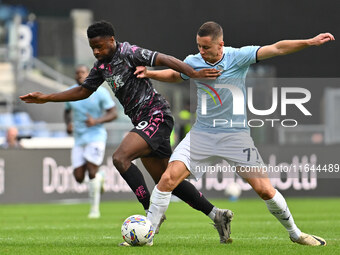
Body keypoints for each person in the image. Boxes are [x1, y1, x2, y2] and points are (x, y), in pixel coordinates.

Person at [20, 21, 233, 245]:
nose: (96, 51)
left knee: (120, 158)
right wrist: (46, 97)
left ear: (112, 40)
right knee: (167, 181)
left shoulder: (129, 52)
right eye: (93, 47)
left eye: (100, 46)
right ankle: (217, 215)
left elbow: (165, 59)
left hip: (156, 115)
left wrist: (193, 73)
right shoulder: (101, 66)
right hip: (143, 121)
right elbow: (84, 90)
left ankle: (150, 219)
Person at [137, 21, 334, 246]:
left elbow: (277, 48)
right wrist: (150, 74)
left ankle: (295, 233)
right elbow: (176, 75)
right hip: (202, 134)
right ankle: (147, 237)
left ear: (221, 45)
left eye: (206, 47)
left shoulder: (238, 57)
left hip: (235, 136)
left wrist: (309, 42)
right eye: (199, 46)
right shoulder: (193, 61)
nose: (201, 51)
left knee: (265, 190)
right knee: (167, 179)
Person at [64, 65, 118, 219]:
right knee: (79, 177)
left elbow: (113, 113)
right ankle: (100, 176)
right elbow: (67, 111)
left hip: (96, 135)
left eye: (83, 73)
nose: (79, 75)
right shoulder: (71, 92)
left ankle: (94, 210)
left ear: (89, 75)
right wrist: (67, 124)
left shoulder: (100, 92)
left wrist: (97, 121)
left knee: (91, 170)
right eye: (77, 73)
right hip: (79, 138)